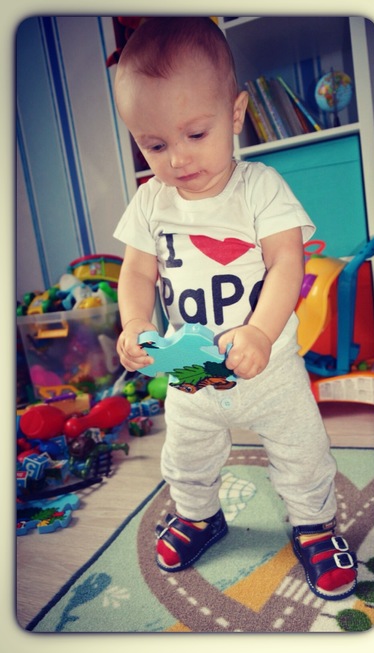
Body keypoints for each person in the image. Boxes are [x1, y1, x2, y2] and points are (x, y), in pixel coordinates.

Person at [112, 17, 357, 600]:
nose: (177, 158)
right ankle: (199, 516)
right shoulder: (149, 201)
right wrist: (136, 323)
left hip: (269, 369)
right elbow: (138, 273)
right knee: (185, 457)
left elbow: (287, 263)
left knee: (302, 452)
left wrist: (261, 332)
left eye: (196, 133)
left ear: (236, 113)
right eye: (154, 145)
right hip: (191, 373)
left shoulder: (260, 186)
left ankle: (314, 526)